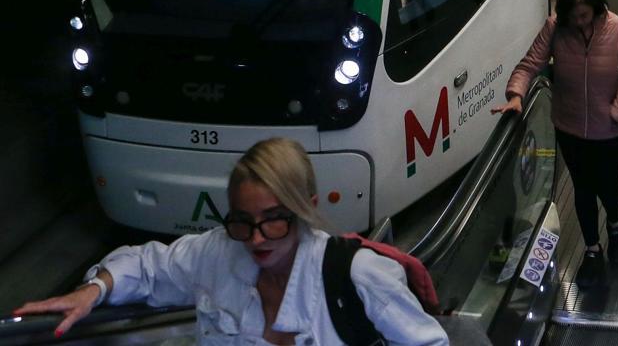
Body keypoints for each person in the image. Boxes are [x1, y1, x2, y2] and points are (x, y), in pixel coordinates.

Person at [16, 138, 449, 345]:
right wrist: (93, 290)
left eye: (273, 221)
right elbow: (148, 266)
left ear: (306, 207)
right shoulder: (219, 252)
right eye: (242, 221)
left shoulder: (359, 276)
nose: (255, 239)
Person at [494, 0, 618, 289]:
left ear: (596, 8)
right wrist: (515, 94)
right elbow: (529, 65)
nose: (579, 22)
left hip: (610, 132)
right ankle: (593, 248)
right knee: (583, 188)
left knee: (610, 187)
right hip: (570, 128)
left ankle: (615, 225)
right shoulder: (555, 27)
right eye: (573, 16)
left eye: (585, 15)